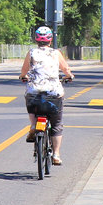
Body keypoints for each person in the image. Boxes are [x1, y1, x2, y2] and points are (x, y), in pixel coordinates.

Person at [19, 25, 74, 165]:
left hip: (35, 92)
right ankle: (56, 155)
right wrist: (69, 76)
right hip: (53, 93)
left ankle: (33, 126)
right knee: (56, 124)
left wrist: (23, 76)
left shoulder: (31, 53)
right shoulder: (56, 53)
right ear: (50, 40)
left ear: (36, 40)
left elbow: (24, 70)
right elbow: (65, 69)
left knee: (30, 101)